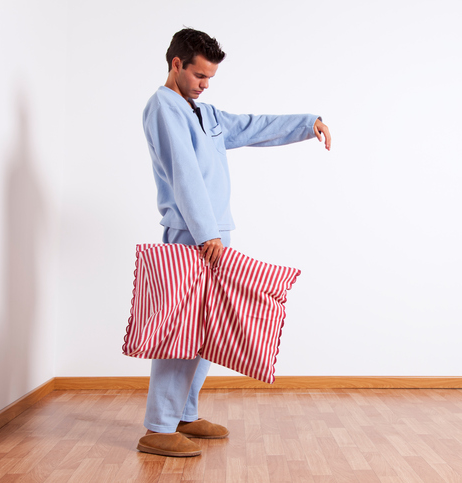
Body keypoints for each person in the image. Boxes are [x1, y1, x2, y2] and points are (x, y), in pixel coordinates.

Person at [136, 28, 331, 458]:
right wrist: (205, 231)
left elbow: (250, 126)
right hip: (192, 234)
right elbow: (184, 172)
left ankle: (184, 414)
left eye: (211, 77)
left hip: (215, 233)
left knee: (208, 330)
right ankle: (158, 427)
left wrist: (307, 123)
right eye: (199, 75)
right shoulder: (163, 108)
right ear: (176, 65)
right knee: (181, 332)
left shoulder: (204, 113)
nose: (205, 84)